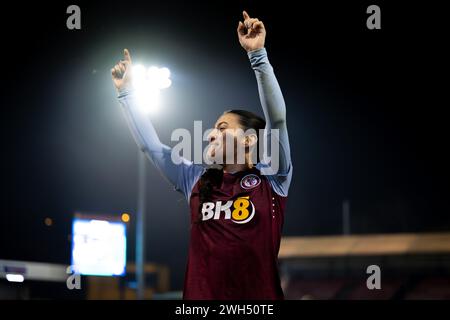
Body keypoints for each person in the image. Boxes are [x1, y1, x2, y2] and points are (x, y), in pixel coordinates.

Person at [111, 10, 292, 300]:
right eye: (212, 129)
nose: (210, 134)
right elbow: (152, 147)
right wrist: (126, 94)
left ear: (249, 141)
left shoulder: (272, 178)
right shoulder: (195, 178)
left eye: (222, 128)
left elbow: (278, 120)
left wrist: (258, 56)